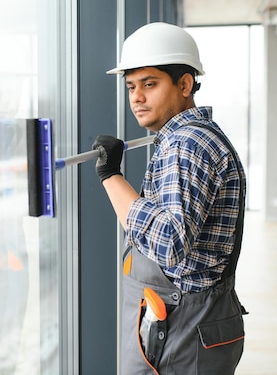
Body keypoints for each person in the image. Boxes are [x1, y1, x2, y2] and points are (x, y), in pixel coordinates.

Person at [93, 22, 247, 374]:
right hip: (193, 320)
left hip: (183, 328)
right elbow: (148, 232)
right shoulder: (197, 136)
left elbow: (169, 244)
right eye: (131, 86)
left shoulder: (186, 144)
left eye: (150, 84)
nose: (136, 97)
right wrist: (112, 177)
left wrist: (110, 176)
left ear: (184, 84)